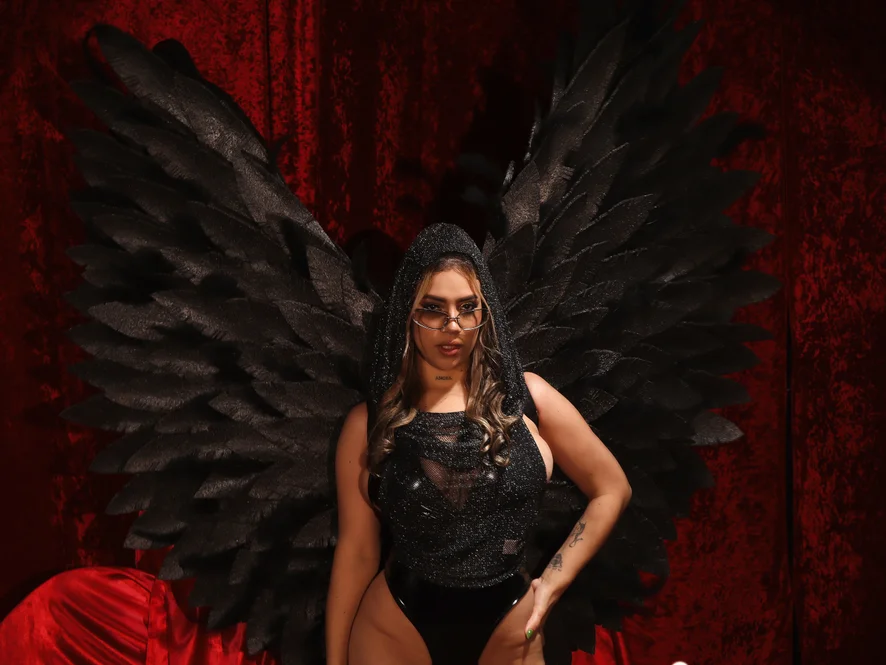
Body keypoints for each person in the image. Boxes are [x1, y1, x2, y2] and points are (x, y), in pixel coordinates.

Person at [326, 226, 633, 665]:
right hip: (394, 633)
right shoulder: (370, 422)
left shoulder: (529, 400)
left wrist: (552, 582)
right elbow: (357, 552)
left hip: (510, 635)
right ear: (407, 314)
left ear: (484, 313)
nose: (452, 326)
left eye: (467, 307)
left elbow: (612, 488)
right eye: (433, 308)